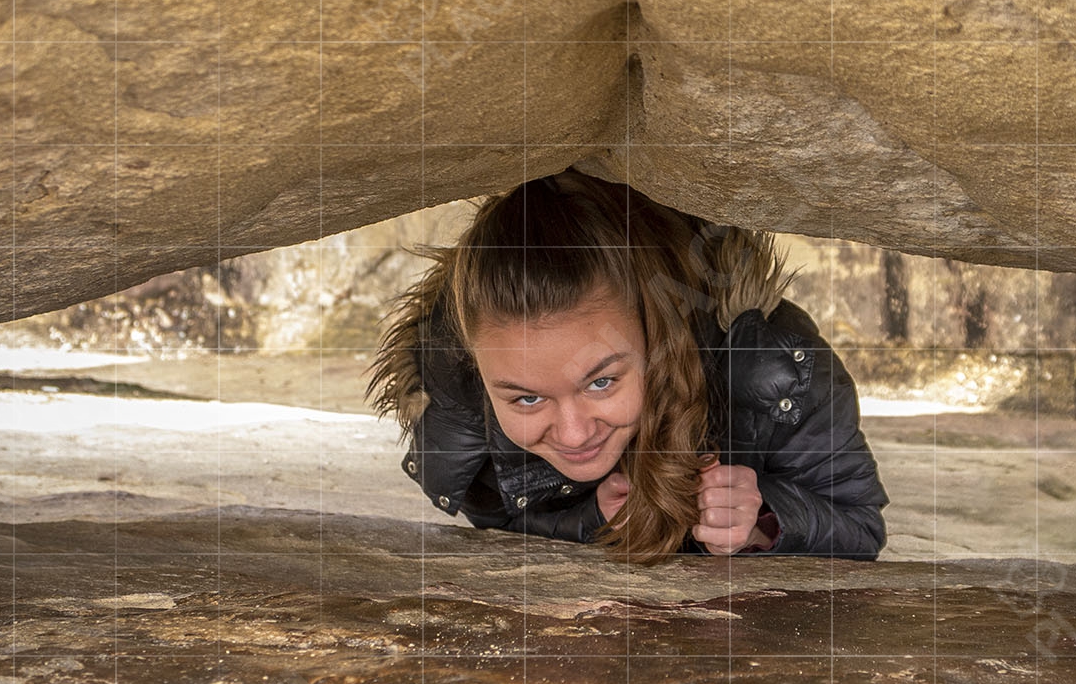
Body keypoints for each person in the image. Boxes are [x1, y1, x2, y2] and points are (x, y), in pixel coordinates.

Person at [367, 171, 888, 562]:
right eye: (526, 397)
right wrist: (592, 519)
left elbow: (860, 527)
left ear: (654, 336)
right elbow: (494, 515)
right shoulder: (455, 378)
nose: (573, 434)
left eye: (601, 381)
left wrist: (766, 519)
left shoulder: (772, 367)